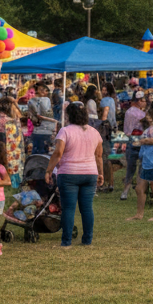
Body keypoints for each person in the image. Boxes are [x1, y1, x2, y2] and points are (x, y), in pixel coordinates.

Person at [45, 103, 104, 248]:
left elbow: (58, 153)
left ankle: (66, 242)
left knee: (69, 208)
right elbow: (99, 156)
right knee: (87, 208)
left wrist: (48, 170)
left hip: (69, 173)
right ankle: (87, 240)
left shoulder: (65, 131)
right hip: (90, 173)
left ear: (69, 115)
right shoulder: (94, 132)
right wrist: (100, 173)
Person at [127, 108, 153, 222]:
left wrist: (144, 141)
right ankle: (139, 214)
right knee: (139, 188)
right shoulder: (147, 129)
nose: (147, 116)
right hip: (146, 161)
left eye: (149, 114)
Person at [120, 92, 148, 201]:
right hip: (140, 141)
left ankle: (125, 191)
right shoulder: (142, 114)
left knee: (130, 168)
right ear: (139, 101)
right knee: (141, 167)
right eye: (143, 100)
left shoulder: (128, 112)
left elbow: (126, 130)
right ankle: (139, 189)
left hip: (130, 140)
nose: (145, 103)